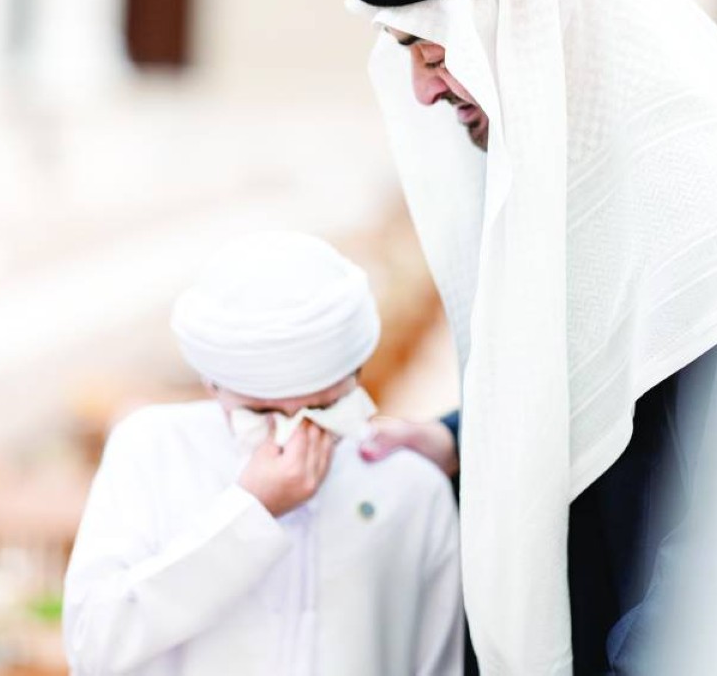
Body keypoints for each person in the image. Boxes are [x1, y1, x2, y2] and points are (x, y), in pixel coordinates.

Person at [347, 0, 717, 674]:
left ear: (521, 21)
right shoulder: (591, 161)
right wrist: (457, 441)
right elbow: (596, 366)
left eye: (437, 53)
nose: (424, 89)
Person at [62, 231, 463, 676]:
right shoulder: (153, 449)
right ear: (211, 383)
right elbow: (93, 644)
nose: (296, 436)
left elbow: (437, 662)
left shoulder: (410, 487)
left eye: (322, 408)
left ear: (357, 374)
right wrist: (248, 511)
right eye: (262, 411)